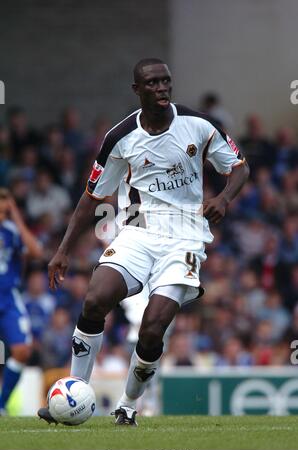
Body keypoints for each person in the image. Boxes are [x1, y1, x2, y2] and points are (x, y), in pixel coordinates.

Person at [38, 58, 249, 426]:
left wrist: (224, 198)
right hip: (137, 229)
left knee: (153, 327)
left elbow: (239, 167)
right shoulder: (120, 138)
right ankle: (74, 389)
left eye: (166, 81)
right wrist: (63, 250)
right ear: (137, 90)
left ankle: (128, 406)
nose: (162, 88)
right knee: (94, 300)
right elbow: (92, 196)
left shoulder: (197, 124)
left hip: (185, 235)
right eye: (152, 83)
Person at [0, 188, 43, 414]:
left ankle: (1, 404)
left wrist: (15, 214)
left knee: (22, 351)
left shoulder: (11, 231)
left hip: (7, 299)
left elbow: (36, 251)